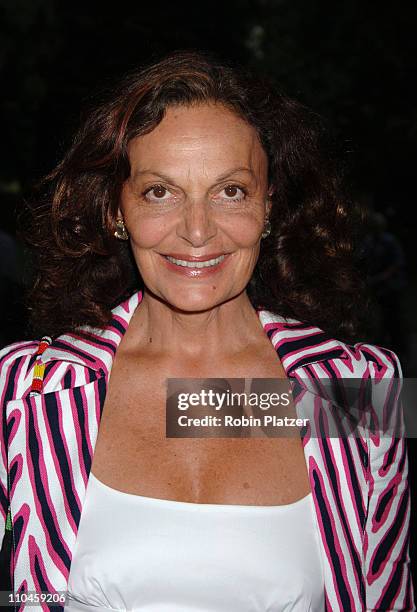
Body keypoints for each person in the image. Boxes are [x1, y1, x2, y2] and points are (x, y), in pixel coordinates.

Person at [0, 51, 413, 612]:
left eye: (231, 191)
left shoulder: (359, 388)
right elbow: (20, 594)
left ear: (268, 207)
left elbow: (387, 594)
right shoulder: (25, 388)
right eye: (159, 192)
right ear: (117, 210)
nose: (197, 231)